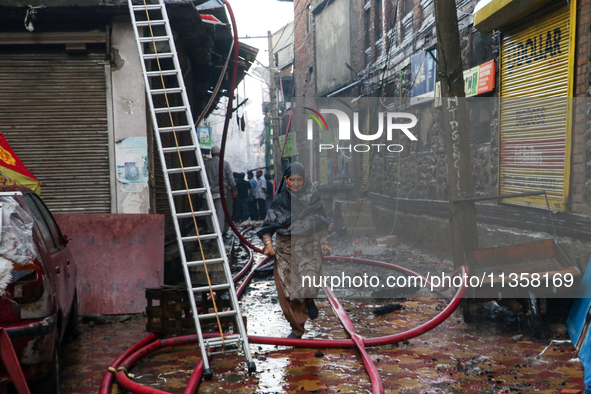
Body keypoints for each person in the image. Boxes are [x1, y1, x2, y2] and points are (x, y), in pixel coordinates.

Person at [257, 163, 332, 338]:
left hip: (309, 247)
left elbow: (321, 223)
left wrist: (324, 242)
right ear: (286, 180)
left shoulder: (313, 198)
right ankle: (297, 329)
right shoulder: (280, 201)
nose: (296, 183)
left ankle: (308, 299)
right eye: (292, 180)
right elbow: (267, 227)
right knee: (289, 291)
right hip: (286, 250)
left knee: (309, 283)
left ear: (304, 180)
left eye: (299, 179)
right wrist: (268, 244)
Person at [204, 146, 237, 235]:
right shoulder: (225, 164)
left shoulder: (206, 164)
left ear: (211, 154)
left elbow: (201, 178)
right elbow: (231, 179)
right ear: (220, 153)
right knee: (220, 214)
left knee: (209, 214)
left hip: (208, 194)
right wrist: (234, 190)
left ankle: (212, 231)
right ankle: (219, 233)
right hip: (220, 194)